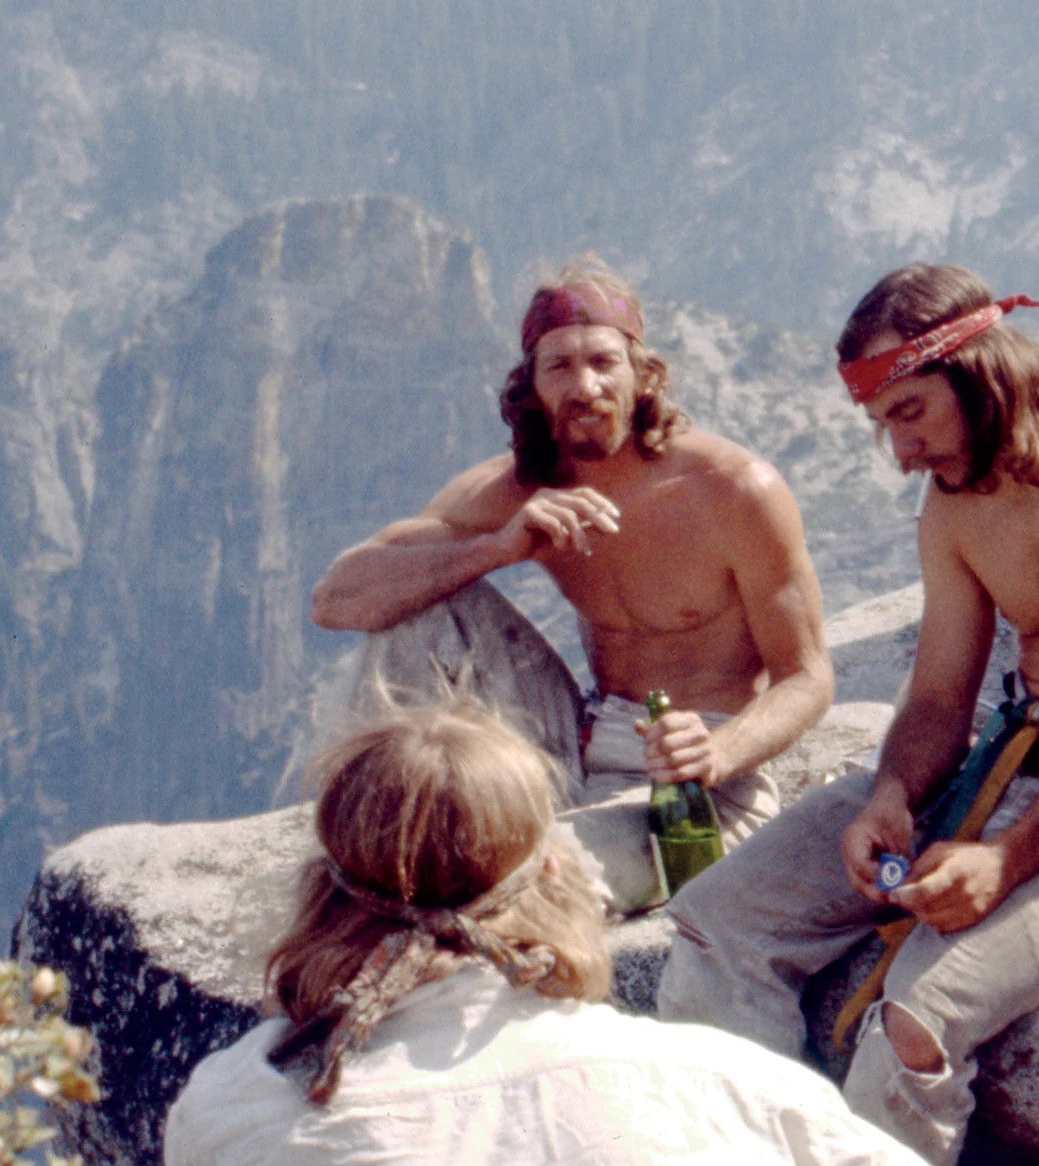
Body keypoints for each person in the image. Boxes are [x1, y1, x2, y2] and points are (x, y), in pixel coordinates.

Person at [163, 704, 1039, 1166]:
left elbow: (205, 1163)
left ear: (324, 893)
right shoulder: (712, 1081)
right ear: (558, 874)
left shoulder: (250, 1100)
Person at [656, 264, 1039, 1166]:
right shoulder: (955, 509)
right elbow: (940, 699)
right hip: (1001, 767)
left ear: (980, 370)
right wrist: (891, 797)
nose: (902, 452)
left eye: (911, 412)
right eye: (883, 424)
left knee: (915, 1021)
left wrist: (1006, 859)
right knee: (719, 920)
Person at [309, 258, 832, 913]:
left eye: (604, 362)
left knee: (517, 889)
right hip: (575, 744)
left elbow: (807, 675)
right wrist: (495, 549)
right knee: (427, 606)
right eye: (559, 366)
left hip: (692, 787)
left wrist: (718, 751)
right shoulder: (520, 488)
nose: (585, 386)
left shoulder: (732, 491)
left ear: (644, 375)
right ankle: (379, 835)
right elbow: (337, 600)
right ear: (532, 387)